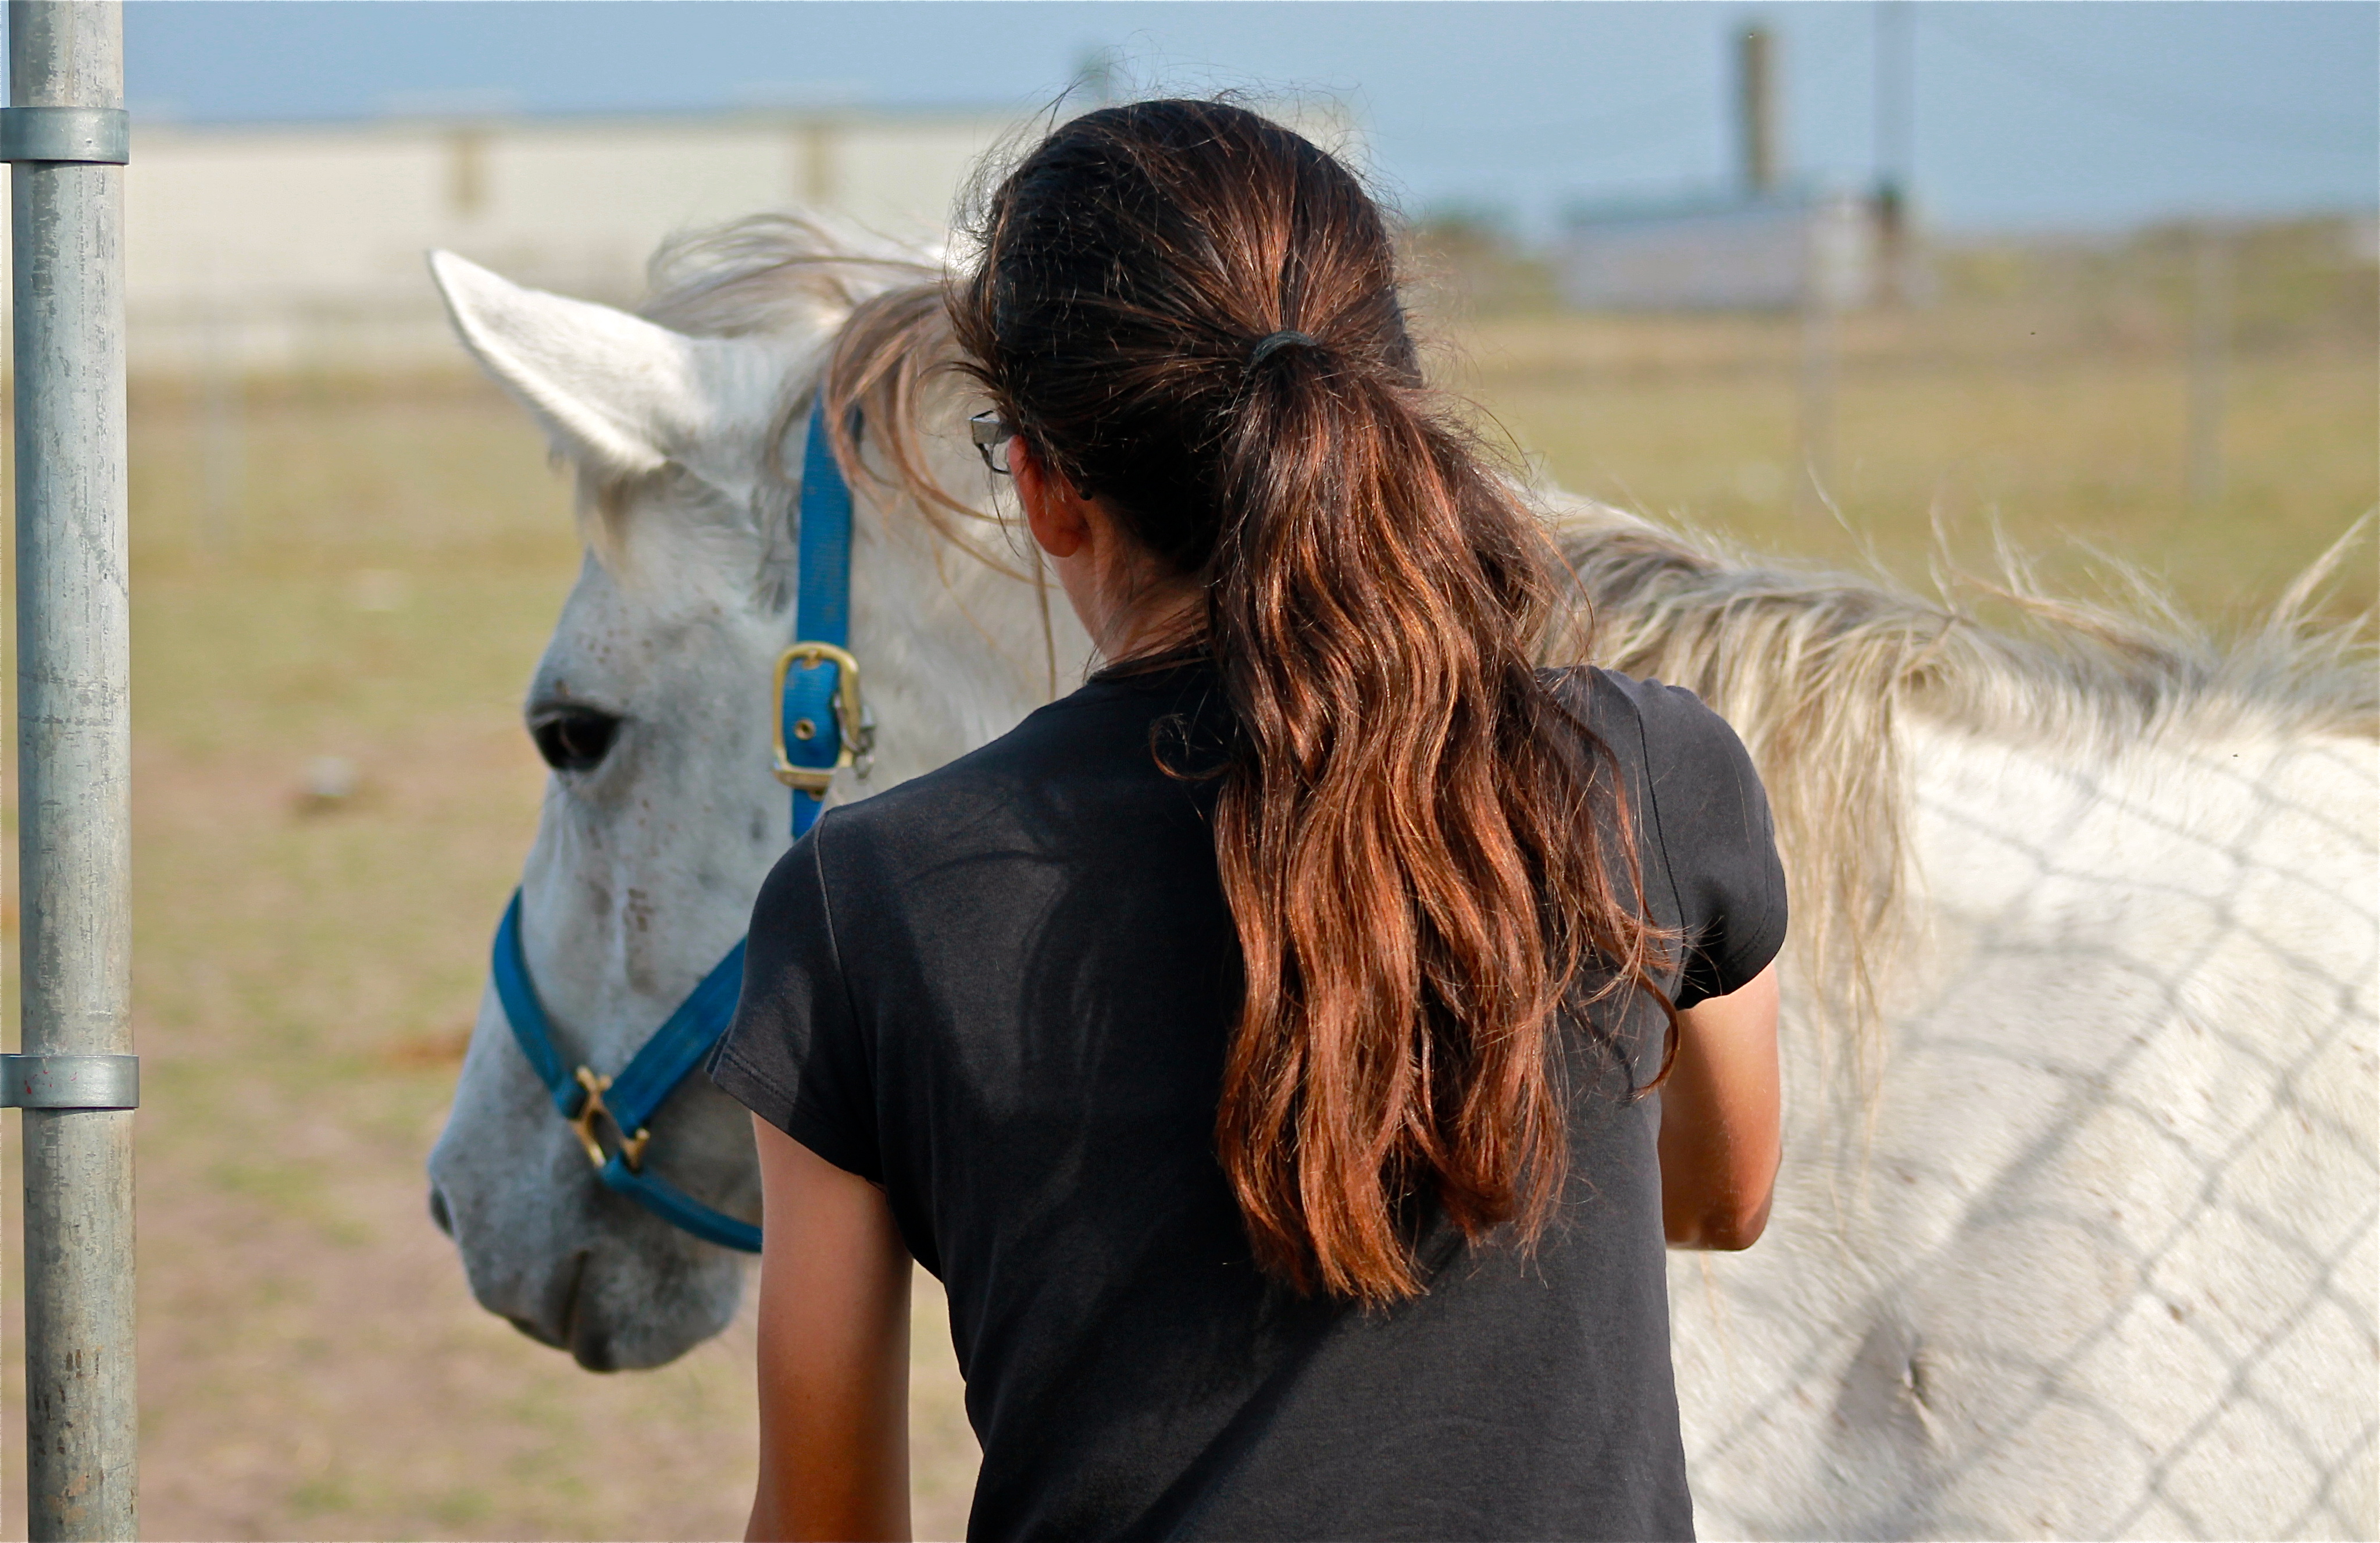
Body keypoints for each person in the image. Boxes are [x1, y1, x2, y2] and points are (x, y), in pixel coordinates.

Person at [708, 98, 1785, 1543]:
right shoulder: (1654, 771)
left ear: (1040, 484)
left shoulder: (866, 902)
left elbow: (830, 1522)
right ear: (1388, 412)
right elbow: (1720, 1197)